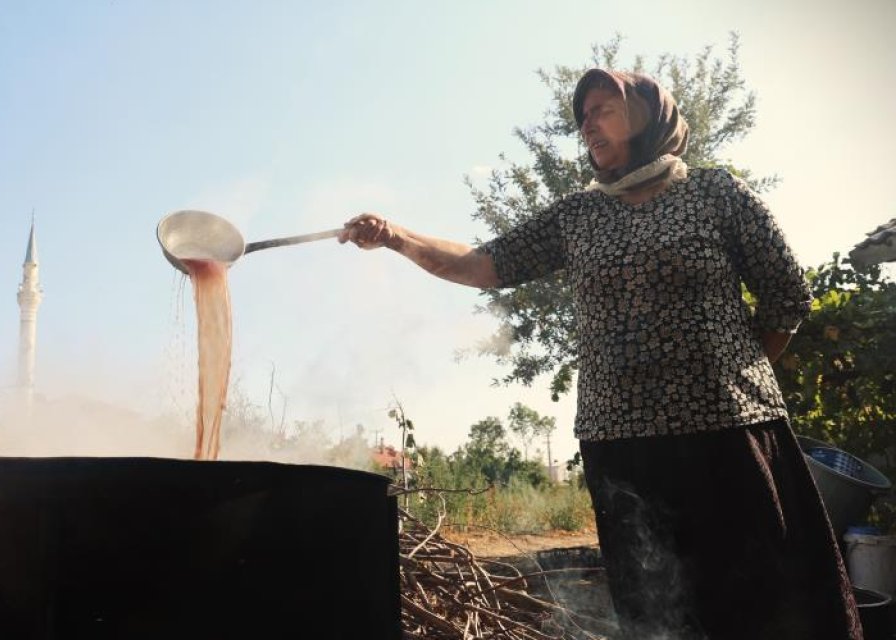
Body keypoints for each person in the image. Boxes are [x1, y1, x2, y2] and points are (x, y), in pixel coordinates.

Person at [341, 69, 862, 639]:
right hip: (622, 447)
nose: (587, 122)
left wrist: (733, 373)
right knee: (655, 614)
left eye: (602, 107)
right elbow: (479, 263)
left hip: (726, 439)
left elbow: (787, 294)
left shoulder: (717, 193)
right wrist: (395, 236)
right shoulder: (579, 216)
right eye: (582, 114)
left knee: (757, 605)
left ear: (648, 115)